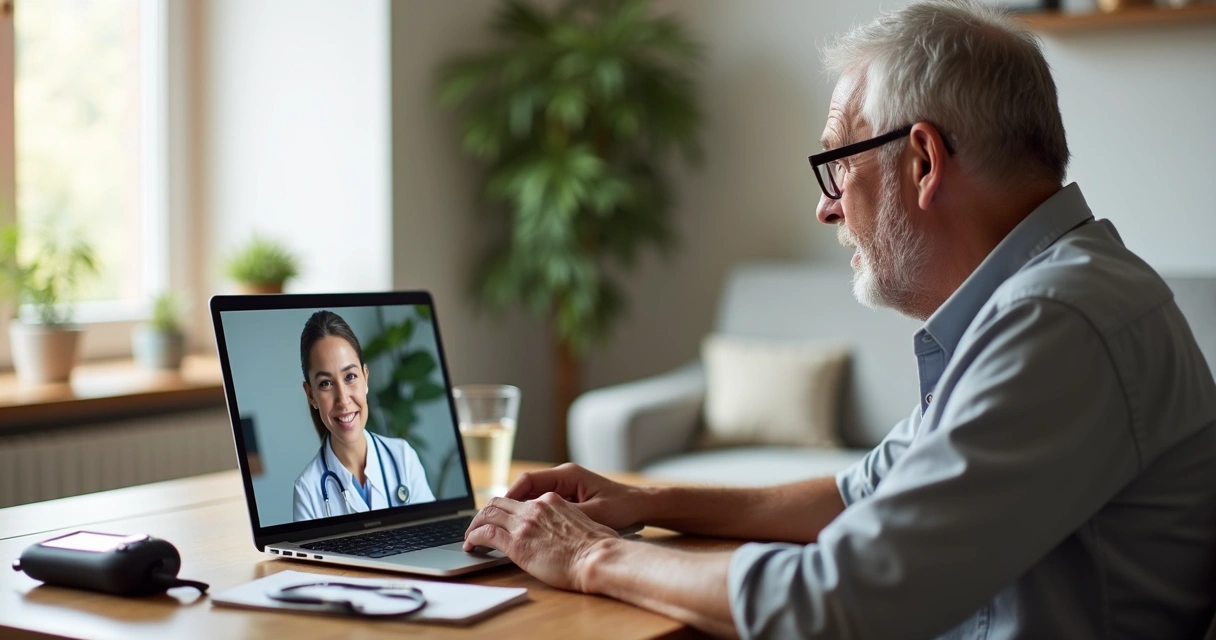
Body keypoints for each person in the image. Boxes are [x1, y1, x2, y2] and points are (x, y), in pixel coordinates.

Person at [460, 1, 1216, 638]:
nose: (825, 207)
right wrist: (646, 501)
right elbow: (864, 494)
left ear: (922, 161)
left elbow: (841, 599)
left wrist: (591, 557)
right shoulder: (1041, 297)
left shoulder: (1058, 322)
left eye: (837, 165)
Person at [292, 310, 434, 522]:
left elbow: (431, 539)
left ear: (365, 379)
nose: (343, 398)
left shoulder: (403, 458)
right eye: (325, 383)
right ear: (311, 395)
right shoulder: (307, 491)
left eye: (350, 376)